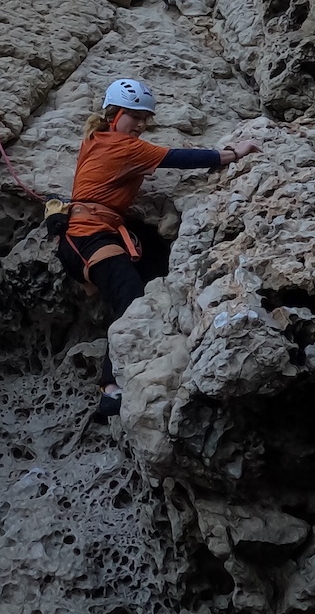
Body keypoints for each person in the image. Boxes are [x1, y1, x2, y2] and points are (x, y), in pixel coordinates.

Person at [58, 79, 254, 419]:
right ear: (116, 114)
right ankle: (111, 389)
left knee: (144, 281)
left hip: (80, 239)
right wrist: (234, 153)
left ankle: (112, 384)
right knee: (133, 302)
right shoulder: (123, 146)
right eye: (135, 116)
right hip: (90, 237)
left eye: (145, 118)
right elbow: (178, 157)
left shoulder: (96, 140)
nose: (141, 125)